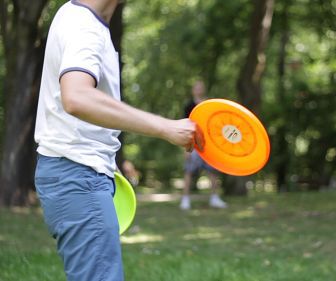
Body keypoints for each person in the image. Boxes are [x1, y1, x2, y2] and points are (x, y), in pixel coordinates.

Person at [33, 1, 199, 280]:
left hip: (78, 173)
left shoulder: (80, 18)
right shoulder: (83, 25)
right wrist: (165, 127)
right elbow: (77, 97)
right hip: (78, 176)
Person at [180, 80, 227, 210]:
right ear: (193, 90)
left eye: (201, 87)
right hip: (193, 145)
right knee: (189, 172)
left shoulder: (208, 104)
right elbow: (185, 125)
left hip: (208, 145)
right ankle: (185, 199)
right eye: (196, 87)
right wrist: (185, 147)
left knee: (213, 172)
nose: (199, 89)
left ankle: (214, 198)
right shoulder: (189, 105)